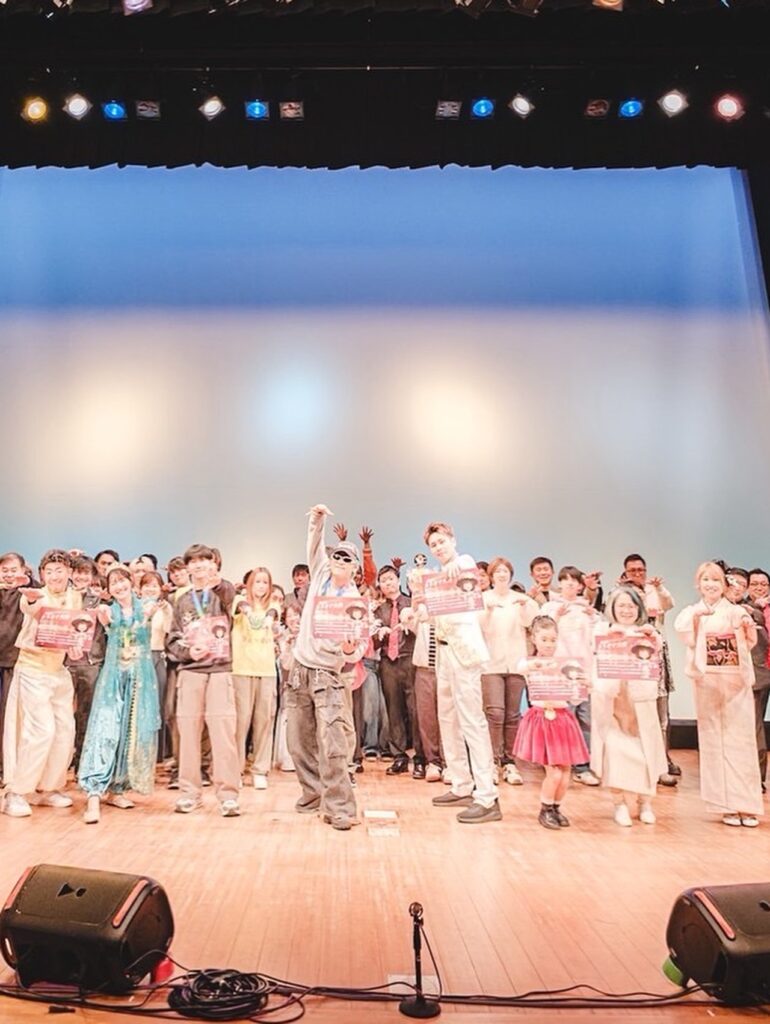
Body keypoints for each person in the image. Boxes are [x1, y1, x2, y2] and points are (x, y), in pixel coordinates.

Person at [402, 521, 500, 824]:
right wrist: (417, 603)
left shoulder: (463, 563)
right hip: (442, 653)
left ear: (453, 540)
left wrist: (443, 574)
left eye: (442, 541)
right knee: (448, 719)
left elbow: (465, 568)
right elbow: (427, 615)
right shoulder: (435, 581)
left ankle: (487, 796)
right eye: (433, 545)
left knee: (472, 721)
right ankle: (461, 784)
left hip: (464, 653)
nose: (438, 547)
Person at [285, 504, 367, 831]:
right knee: (297, 740)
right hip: (299, 669)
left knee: (333, 743)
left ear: (355, 568)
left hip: (328, 675)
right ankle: (313, 794)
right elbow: (314, 545)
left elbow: (357, 647)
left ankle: (340, 807)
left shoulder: (354, 601)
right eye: (338, 555)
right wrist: (317, 519)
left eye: (347, 558)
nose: (340, 560)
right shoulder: (319, 574)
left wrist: (348, 649)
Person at [674, 562, 763, 827]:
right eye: (705, 579)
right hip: (708, 684)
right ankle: (724, 805)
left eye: (715, 580)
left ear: (724, 585)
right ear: (698, 584)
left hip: (735, 684)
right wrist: (698, 616)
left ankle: (746, 805)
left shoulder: (735, 611)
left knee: (741, 741)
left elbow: (750, 642)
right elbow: (685, 635)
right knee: (714, 742)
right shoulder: (692, 612)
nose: (710, 584)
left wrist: (746, 625)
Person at [78, 565, 160, 824]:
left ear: (131, 582)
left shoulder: (147, 607)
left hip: (139, 678)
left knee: (130, 731)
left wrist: (149, 615)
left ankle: (118, 788)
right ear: (109, 589)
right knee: (106, 729)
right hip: (113, 678)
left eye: (123, 580)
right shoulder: (107, 611)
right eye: (113, 583)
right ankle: (93, 793)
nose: (119, 586)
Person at [2, 550, 81, 817]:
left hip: (58, 671)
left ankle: (47, 787)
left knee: (64, 731)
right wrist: (32, 599)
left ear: (69, 572)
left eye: (60, 570)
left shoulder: (75, 596)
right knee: (40, 731)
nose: (55, 576)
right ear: (42, 574)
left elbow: (75, 631)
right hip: (33, 669)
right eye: (49, 571)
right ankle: (16, 792)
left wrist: (76, 647)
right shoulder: (36, 594)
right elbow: (31, 607)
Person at [165, 544, 241, 817]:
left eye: (204, 560)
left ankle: (228, 795)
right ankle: (189, 793)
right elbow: (172, 639)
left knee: (223, 734)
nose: (198, 565)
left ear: (214, 563)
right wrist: (188, 652)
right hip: (191, 671)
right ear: (187, 567)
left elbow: (228, 595)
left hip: (220, 670)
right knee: (187, 734)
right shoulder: (182, 600)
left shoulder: (224, 591)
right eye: (193, 562)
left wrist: (215, 582)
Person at [590, 587, 667, 826]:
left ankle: (645, 802)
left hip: (640, 702)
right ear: (612, 608)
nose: (626, 610)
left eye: (631, 606)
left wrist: (652, 639)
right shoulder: (602, 631)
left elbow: (655, 662)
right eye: (621, 605)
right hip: (613, 703)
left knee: (646, 753)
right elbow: (594, 663)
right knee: (616, 752)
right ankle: (619, 803)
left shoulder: (647, 633)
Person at [514, 616, 588, 829]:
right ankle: (545, 808)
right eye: (544, 639)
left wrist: (584, 684)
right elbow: (520, 667)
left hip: (562, 719)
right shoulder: (530, 664)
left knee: (565, 772)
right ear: (534, 639)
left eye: (553, 640)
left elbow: (575, 696)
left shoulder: (567, 666)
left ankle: (556, 807)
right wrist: (537, 664)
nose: (549, 644)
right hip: (542, 719)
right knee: (554, 772)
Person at [479, 557, 539, 785]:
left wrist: (524, 607)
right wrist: (488, 612)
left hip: (516, 663)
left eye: (505, 571)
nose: (502, 575)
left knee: (513, 715)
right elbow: (479, 627)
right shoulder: (484, 599)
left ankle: (510, 762)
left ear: (511, 575)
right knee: (495, 713)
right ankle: (493, 761)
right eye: (498, 572)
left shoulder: (520, 599)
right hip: (491, 665)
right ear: (491, 576)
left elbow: (531, 622)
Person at [621, 553, 679, 784]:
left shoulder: (654, 591)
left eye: (640, 570)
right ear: (625, 573)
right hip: (633, 660)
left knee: (662, 714)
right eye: (632, 570)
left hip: (657, 658)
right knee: (636, 715)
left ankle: (662, 762)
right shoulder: (622, 595)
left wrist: (658, 589)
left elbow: (669, 604)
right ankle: (639, 762)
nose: (637, 574)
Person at [541, 566, 599, 786]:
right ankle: (560, 762)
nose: (570, 583)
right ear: (559, 583)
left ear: (580, 585)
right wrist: (556, 617)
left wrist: (593, 618)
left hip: (584, 670)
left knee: (586, 719)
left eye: (574, 580)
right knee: (562, 718)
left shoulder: (586, 609)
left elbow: (597, 639)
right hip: (559, 671)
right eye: (565, 580)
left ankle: (583, 766)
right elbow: (542, 635)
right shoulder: (549, 607)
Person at [231, 566, 281, 789]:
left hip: (266, 670)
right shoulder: (239, 600)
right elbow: (241, 606)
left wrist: (268, 618)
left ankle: (260, 770)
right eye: (257, 582)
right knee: (240, 722)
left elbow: (273, 614)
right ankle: (235, 769)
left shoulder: (273, 604)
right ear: (249, 584)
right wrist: (248, 612)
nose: (261, 586)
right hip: (241, 669)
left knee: (264, 721)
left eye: (265, 582)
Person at [374, 564, 423, 778]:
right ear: (380, 585)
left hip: (409, 659)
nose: (388, 583)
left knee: (415, 710)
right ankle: (399, 756)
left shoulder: (411, 604)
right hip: (388, 663)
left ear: (398, 580)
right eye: (383, 581)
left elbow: (422, 631)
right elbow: (373, 643)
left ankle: (420, 757)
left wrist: (409, 624)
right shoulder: (378, 611)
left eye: (391, 579)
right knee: (393, 710)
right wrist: (379, 634)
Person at [67, 556, 108, 770]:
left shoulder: (101, 601)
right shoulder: (63, 597)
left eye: (86, 573)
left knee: (86, 713)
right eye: (77, 572)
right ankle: (64, 757)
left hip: (91, 662)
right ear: (71, 573)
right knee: (64, 714)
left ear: (92, 576)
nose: (81, 576)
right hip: (64, 663)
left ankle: (81, 758)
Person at [746, 568, 770, 790]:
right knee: (755, 725)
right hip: (758, 673)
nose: (759, 588)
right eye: (755, 584)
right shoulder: (743, 608)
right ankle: (756, 777)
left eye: (764, 584)